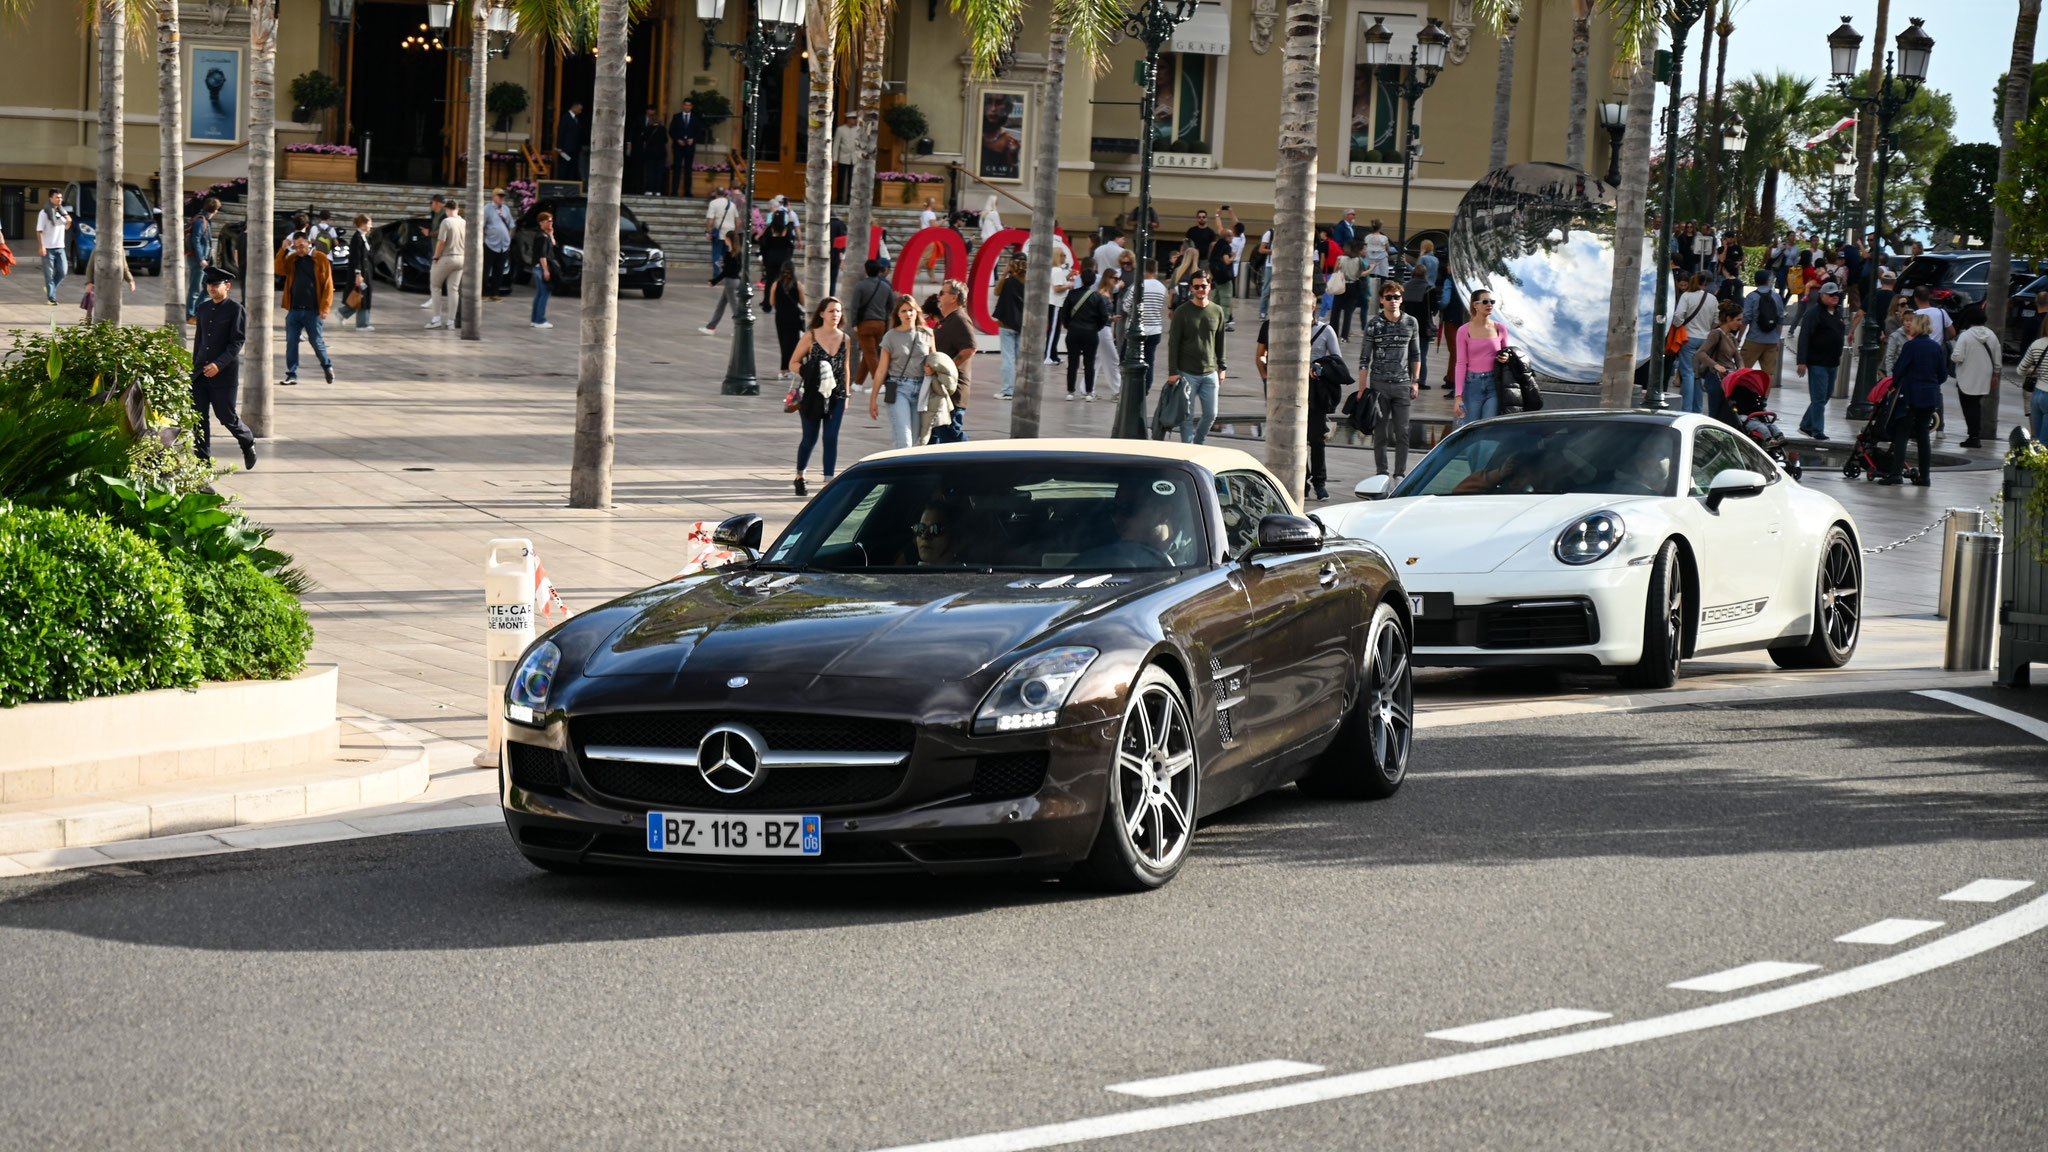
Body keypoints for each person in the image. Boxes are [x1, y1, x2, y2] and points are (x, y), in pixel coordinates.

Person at [1255, 314, 1342, 498]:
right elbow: (1260, 355)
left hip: (1315, 392)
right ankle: (1304, 479)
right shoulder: (1272, 326)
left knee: (1317, 438)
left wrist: (1320, 368)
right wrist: (1266, 379)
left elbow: (1337, 361)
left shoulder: (1325, 330)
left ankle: (1319, 482)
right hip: (1284, 391)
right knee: (1294, 437)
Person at [190, 267, 256, 469]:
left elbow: (237, 342)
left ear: (226, 286)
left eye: (216, 285)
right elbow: (199, 341)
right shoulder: (203, 309)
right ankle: (203, 464)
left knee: (226, 417)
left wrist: (218, 365)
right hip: (200, 375)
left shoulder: (236, 310)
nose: (211, 288)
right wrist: (194, 368)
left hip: (223, 375)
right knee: (198, 419)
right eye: (209, 284)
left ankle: (247, 441)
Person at [1360, 278, 1422, 479]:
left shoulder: (1411, 322)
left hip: (1403, 384)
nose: (1393, 301)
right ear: (1381, 300)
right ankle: (1382, 472)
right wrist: (1362, 388)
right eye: (1389, 297)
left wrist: (1416, 381)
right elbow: (1364, 358)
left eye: (1396, 297)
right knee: (1381, 433)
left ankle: (1400, 474)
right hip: (1379, 385)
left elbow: (1416, 354)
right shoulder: (1374, 324)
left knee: (1402, 432)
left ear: (1401, 299)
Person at [789, 296, 850, 495]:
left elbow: (846, 368)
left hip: (836, 395)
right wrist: (812, 371)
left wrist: (846, 395)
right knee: (810, 438)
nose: (835, 315)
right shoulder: (811, 336)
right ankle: (800, 476)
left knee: (831, 437)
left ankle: (828, 482)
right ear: (822, 313)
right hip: (812, 396)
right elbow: (793, 363)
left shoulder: (845, 339)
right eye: (831, 311)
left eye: (838, 311)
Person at [1163, 270, 1227, 444]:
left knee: (1211, 414)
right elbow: (1173, 343)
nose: (1200, 289)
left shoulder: (1217, 311)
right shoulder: (1182, 312)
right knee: (1187, 416)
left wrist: (1222, 367)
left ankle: (1197, 444)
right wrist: (1172, 371)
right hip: (1186, 373)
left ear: (1209, 287)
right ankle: (1187, 448)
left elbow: (1220, 341)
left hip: (1209, 373)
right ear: (1191, 288)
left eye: (1203, 286)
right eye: (1197, 286)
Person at [1882, 313, 1945, 486]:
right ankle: (1925, 476)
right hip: (1930, 396)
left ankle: (1896, 474)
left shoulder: (1911, 346)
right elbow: (1943, 374)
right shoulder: (1935, 347)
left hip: (1911, 396)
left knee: (1902, 433)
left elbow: (1898, 371)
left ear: (1917, 326)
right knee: (1923, 435)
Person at [870, 294, 934, 449]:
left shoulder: (927, 334)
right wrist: (873, 399)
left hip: (921, 391)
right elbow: (881, 370)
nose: (908, 314)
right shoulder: (891, 336)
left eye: (911, 310)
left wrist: (931, 369)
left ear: (917, 311)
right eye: (904, 311)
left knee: (915, 440)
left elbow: (934, 361)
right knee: (903, 440)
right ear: (898, 315)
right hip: (899, 389)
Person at [273, 231, 334, 386]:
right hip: (294, 310)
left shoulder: (320, 259)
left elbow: (328, 285)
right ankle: (292, 374)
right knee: (291, 342)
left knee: (316, 342)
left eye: (302, 246)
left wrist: (325, 308)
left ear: (309, 243)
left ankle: (327, 366)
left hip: (313, 311)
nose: (299, 250)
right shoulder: (292, 259)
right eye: (296, 247)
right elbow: (279, 269)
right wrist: (283, 249)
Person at [1074, 483, 1177, 569]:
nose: (1116, 518)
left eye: (1129, 509)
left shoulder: (1191, 555)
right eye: (1113, 508)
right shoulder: (1100, 559)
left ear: (1163, 514)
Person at [1793, 281, 1846, 439]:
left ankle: (1806, 424)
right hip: (1817, 362)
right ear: (1822, 296)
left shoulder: (1838, 313)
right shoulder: (1813, 313)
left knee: (1826, 395)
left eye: (1836, 294)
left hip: (1832, 362)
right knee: (1819, 397)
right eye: (1830, 295)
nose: (1834, 297)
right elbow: (1804, 337)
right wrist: (1801, 361)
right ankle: (1817, 430)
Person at [1454, 289, 1511, 425]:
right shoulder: (1463, 330)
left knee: (1488, 427)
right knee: (1471, 428)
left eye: (1492, 302)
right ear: (1475, 305)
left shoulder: (1500, 328)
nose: (1489, 304)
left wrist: (1507, 357)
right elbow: (1461, 363)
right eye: (1485, 302)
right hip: (1472, 383)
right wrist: (1458, 396)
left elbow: (1507, 352)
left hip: (1494, 382)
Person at [931, 279, 978, 441]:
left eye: (942, 293)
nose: (939, 296)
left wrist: (947, 368)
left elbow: (970, 348)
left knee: (951, 436)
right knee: (934, 437)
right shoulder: (947, 320)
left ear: (953, 298)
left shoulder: (959, 319)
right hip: (940, 389)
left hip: (953, 391)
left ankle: (969, 462)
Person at [1950, 303, 2002, 449]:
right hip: (1984, 377)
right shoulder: (1991, 336)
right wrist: (1996, 375)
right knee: (1976, 406)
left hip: (1966, 376)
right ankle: (1974, 435)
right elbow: (1997, 359)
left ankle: (1973, 436)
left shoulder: (1965, 336)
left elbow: (1957, 357)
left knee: (1969, 407)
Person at [1064, 270, 1113, 402]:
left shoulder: (1072, 294)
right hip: (1090, 333)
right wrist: (1097, 327)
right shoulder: (1097, 297)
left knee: (1072, 362)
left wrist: (1069, 326)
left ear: (1082, 280)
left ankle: (1070, 391)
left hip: (1074, 332)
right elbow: (1104, 316)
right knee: (1089, 363)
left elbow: (1064, 314)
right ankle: (1089, 392)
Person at [849, 258, 895, 391]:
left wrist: (854, 322)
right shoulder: (886, 287)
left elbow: (854, 306)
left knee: (870, 353)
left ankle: (880, 383)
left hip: (865, 324)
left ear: (866, 270)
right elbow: (891, 306)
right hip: (881, 324)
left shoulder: (860, 286)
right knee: (870, 352)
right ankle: (858, 383)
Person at [1672, 273, 1714, 415]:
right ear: (1705, 284)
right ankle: (1698, 409)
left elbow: (1678, 315)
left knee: (1688, 373)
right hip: (1705, 339)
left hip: (1689, 337)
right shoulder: (1712, 298)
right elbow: (1717, 320)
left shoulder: (1687, 296)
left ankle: (1686, 409)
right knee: (1699, 374)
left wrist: (1679, 325)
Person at [1694, 302, 1744, 423]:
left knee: (1729, 413)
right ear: (1728, 318)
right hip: (1716, 378)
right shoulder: (1716, 334)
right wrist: (1716, 365)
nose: (1740, 323)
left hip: (1729, 378)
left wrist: (1742, 370)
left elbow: (1738, 358)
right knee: (1715, 414)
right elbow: (1700, 353)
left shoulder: (1731, 337)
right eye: (1738, 320)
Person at [1739, 270, 1786, 378]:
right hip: (1772, 341)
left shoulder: (1751, 297)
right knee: (1768, 374)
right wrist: (1777, 338)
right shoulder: (1776, 296)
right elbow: (1780, 320)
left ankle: (1743, 394)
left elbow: (1745, 319)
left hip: (1754, 339)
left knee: (1743, 371)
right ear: (1768, 281)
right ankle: (1765, 395)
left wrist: (1739, 338)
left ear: (1755, 282)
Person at [427, 198, 464, 330]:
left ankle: (436, 318)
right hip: (461, 258)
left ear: (447, 210)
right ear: (458, 209)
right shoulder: (463, 222)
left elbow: (441, 241)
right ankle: (451, 321)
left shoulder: (446, 222)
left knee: (435, 286)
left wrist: (436, 257)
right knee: (453, 290)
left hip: (447, 257)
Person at [334, 213, 375, 331]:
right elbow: (356, 257)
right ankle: (362, 324)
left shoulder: (365, 237)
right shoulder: (357, 238)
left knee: (361, 296)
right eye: (369, 224)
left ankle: (342, 312)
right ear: (362, 224)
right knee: (361, 296)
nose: (371, 226)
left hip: (366, 272)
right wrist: (358, 274)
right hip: (360, 273)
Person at [183, 196, 219, 322]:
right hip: (197, 260)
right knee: (195, 288)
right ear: (215, 210)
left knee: (208, 287)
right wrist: (201, 259)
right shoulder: (200, 220)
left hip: (203, 259)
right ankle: (190, 315)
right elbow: (196, 240)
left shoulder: (204, 219)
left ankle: (197, 311)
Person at [768, 264, 805, 378]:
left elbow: (772, 302)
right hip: (794, 317)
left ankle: (783, 369)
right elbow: (803, 302)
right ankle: (790, 368)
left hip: (780, 317)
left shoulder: (775, 285)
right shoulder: (798, 285)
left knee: (783, 343)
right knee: (793, 343)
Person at [35, 189, 69, 305]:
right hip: (48, 248)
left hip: (60, 247)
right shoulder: (44, 213)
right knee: (49, 274)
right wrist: (42, 246)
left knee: (63, 271)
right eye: (57, 197)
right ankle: (51, 298)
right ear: (50, 199)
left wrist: (69, 220)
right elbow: (39, 231)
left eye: (60, 197)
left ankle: (50, 288)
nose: (59, 199)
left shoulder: (62, 212)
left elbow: (66, 227)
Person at [482, 188, 516, 300]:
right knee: (486, 270)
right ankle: (483, 293)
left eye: (503, 196)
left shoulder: (506, 209)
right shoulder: (487, 208)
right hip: (490, 244)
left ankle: (495, 293)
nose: (502, 198)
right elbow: (482, 226)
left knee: (499, 270)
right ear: (494, 196)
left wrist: (509, 239)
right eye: (500, 196)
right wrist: (483, 241)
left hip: (503, 245)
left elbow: (511, 225)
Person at [668, 99, 706, 197]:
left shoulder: (695, 118)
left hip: (690, 146)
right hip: (678, 146)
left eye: (689, 105)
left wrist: (693, 139)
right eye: (685, 105)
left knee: (688, 169)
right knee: (677, 168)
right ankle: (674, 191)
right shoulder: (676, 117)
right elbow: (671, 131)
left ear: (691, 106)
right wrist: (677, 139)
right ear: (683, 106)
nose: (687, 107)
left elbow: (700, 132)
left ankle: (687, 191)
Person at [529, 210, 559, 329]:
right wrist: (546, 270)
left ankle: (535, 319)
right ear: (541, 222)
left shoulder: (545, 235)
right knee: (544, 292)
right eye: (548, 221)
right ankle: (540, 319)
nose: (551, 223)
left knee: (540, 293)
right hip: (540, 267)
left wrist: (551, 234)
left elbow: (554, 246)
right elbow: (542, 255)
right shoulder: (541, 237)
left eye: (551, 221)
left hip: (539, 266)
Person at [2016, 326, 2048, 438]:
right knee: (2045, 441)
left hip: (2037, 394)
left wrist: (2036, 372)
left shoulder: (2037, 344)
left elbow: (2020, 370)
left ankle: (2034, 455)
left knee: (2036, 439)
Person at [705, 188, 739, 283]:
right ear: (724, 194)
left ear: (715, 193)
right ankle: (728, 274)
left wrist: (707, 231)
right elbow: (738, 220)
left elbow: (710, 219)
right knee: (727, 255)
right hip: (730, 233)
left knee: (716, 255)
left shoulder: (713, 203)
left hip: (720, 233)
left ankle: (717, 276)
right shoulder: (731, 204)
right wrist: (735, 232)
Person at [758, 210, 797, 290]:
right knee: (782, 280)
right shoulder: (787, 230)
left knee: (770, 280)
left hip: (771, 259)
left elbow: (763, 243)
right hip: (784, 260)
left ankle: (768, 299)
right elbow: (791, 224)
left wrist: (765, 258)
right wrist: (789, 211)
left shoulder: (769, 230)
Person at [555, 101, 587, 183]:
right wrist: (559, 147)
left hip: (575, 148)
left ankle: (571, 185)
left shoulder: (577, 118)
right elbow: (561, 132)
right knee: (564, 167)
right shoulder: (565, 117)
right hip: (565, 148)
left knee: (573, 168)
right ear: (574, 108)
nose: (580, 111)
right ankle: (562, 184)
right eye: (579, 109)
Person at [833, 113, 859, 203]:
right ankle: (839, 198)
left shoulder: (858, 129)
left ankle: (849, 198)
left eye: (855, 118)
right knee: (841, 179)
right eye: (853, 118)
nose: (855, 120)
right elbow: (836, 145)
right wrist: (835, 159)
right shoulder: (840, 129)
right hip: (843, 157)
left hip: (854, 158)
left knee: (852, 179)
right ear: (848, 119)